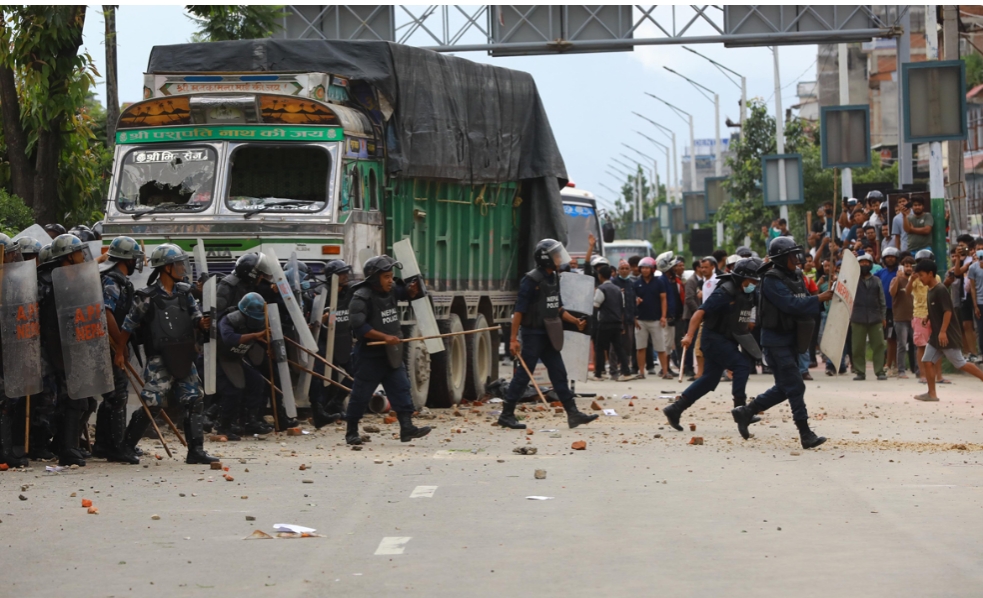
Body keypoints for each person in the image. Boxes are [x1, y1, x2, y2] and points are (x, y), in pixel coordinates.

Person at [115, 244, 218, 464]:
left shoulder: (184, 292)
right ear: (166, 268)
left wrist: (203, 323)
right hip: (160, 358)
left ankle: (196, 451)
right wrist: (120, 352)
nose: (182, 268)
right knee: (153, 402)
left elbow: (195, 317)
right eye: (177, 264)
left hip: (184, 354)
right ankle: (126, 447)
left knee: (195, 399)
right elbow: (128, 325)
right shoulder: (147, 297)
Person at [731, 237, 833, 449]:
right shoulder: (771, 279)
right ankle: (805, 433)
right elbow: (792, 304)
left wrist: (822, 298)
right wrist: (820, 299)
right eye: (792, 255)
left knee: (784, 387)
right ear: (780, 258)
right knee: (795, 385)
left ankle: (746, 411)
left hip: (791, 338)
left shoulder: (796, 276)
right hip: (776, 341)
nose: (797, 259)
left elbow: (805, 300)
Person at [499, 239, 598, 432]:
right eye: (556, 254)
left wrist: (575, 321)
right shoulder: (531, 280)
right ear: (546, 258)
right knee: (523, 376)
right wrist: (513, 339)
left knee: (559, 373)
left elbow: (557, 308)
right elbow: (519, 311)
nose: (560, 257)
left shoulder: (554, 278)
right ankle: (506, 414)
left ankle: (573, 414)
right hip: (533, 334)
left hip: (549, 334)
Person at [663, 257, 764, 431]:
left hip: (729, 339)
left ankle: (675, 409)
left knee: (709, 379)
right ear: (741, 277)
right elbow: (699, 313)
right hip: (713, 338)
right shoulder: (724, 292)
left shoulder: (749, 292)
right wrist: (689, 336)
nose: (754, 284)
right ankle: (741, 409)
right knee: (741, 365)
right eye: (752, 280)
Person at [345, 255, 432, 444]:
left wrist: (413, 290)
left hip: (392, 355)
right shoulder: (361, 297)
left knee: (401, 388)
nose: (390, 280)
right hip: (370, 356)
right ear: (375, 278)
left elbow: (405, 293)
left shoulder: (391, 290)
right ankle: (351, 432)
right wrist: (384, 337)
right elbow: (359, 327)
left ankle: (407, 428)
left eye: (391, 276)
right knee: (360, 395)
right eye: (386, 276)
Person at [37, 234, 92, 466]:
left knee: (76, 397)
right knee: (47, 401)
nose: (83, 256)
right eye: (79, 252)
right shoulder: (43, 282)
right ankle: (36, 445)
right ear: (69, 255)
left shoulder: (79, 280)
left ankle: (67, 446)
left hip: (71, 347)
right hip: (47, 350)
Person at [92, 236, 144, 464]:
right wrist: (120, 347)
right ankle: (115, 447)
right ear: (127, 259)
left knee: (112, 393)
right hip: (108, 345)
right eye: (134, 258)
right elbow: (106, 313)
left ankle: (103, 445)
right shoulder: (112, 281)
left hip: (113, 344)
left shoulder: (120, 280)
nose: (136, 263)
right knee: (118, 393)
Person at [914, 260, 983, 401]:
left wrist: (943, 331)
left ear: (930, 274)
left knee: (960, 363)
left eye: (921, 275)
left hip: (947, 334)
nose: (920, 279)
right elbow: (936, 308)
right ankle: (931, 393)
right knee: (927, 361)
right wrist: (928, 316)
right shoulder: (931, 290)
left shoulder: (940, 290)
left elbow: (947, 312)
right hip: (936, 335)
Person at [215, 292, 273, 438]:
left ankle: (249, 422)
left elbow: (262, 341)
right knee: (232, 391)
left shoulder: (258, 322)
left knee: (257, 382)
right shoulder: (230, 319)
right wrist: (255, 336)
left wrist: (269, 345)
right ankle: (224, 427)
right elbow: (229, 339)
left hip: (236, 359)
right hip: (219, 359)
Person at [312, 259, 354, 428]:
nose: (345, 276)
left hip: (343, 340)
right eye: (341, 274)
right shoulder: (321, 293)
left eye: (346, 273)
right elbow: (312, 318)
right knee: (321, 378)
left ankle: (336, 403)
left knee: (355, 374)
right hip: (324, 341)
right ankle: (320, 413)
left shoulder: (350, 292)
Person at [592, 264, 635, 382]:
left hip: (605, 322)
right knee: (619, 348)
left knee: (600, 348)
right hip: (617, 322)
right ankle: (626, 372)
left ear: (600, 276)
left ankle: (598, 374)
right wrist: (621, 324)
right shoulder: (618, 289)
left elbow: (596, 305)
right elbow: (622, 307)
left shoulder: (601, 289)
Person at [907, 249, 944, 383]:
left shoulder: (937, 278)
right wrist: (911, 280)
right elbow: (907, 291)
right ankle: (923, 375)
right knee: (921, 346)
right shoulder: (916, 278)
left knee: (938, 346)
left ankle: (939, 376)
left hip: (933, 314)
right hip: (919, 314)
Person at [850, 253, 888, 381]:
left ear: (871, 264)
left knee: (879, 345)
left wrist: (883, 317)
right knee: (857, 346)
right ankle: (860, 371)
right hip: (857, 317)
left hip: (875, 317)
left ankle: (880, 371)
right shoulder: (853, 281)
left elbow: (882, 300)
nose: (864, 265)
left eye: (867, 262)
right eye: (861, 263)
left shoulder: (877, 281)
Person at [634, 256, 670, 379]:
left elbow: (663, 300)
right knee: (641, 347)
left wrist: (663, 316)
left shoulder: (659, 282)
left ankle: (665, 372)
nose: (644, 270)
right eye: (643, 268)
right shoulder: (636, 283)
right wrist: (635, 307)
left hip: (656, 319)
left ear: (652, 269)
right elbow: (631, 301)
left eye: (647, 268)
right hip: (640, 320)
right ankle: (641, 372)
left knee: (660, 347)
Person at [891, 255, 917, 379]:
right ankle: (901, 370)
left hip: (915, 317)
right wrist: (897, 278)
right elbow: (892, 293)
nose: (909, 268)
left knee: (917, 345)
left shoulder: (917, 280)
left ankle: (918, 369)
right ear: (902, 267)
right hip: (900, 318)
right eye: (906, 266)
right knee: (901, 345)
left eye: (911, 266)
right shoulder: (897, 280)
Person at [876, 247, 901, 375]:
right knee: (890, 338)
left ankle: (895, 365)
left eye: (893, 257)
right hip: (886, 310)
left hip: (898, 309)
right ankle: (890, 364)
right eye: (887, 257)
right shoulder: (880, 273)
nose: (890, 259)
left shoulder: (900, 272)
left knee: (896, 338)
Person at [968, 239, 983, 362]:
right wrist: (975, 305)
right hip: (979, 302)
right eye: (978, 249)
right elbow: (972, 288)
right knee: (980, 330)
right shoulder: (973, 268)